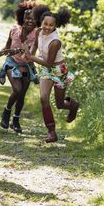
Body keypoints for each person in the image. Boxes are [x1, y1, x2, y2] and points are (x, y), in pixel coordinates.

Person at [23, 8, 79, 143]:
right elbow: (35, 45)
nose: (47, 27)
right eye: (45, 24)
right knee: (43, 98)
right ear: (41, 22)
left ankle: (73, 105)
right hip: (46, 70)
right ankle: (51, 132)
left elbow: (49, 63)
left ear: (55, 26)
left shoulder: (55, 42)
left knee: (60, 104)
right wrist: (29, 53)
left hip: (59, 70)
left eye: (51, 25)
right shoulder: (38, 32)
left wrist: (31, 57)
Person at [0, 0, 44, 133]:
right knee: (17, 89)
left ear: (37, 20)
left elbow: (32, 53)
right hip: (12, 63)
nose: (30, 21)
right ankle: (7, 111)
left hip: (27, 65)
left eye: (33, 18)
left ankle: (15, 120)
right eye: (27, 18)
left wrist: (25, 52)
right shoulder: (14, 30)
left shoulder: (37, 34)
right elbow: (7, 47)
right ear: (22, 18)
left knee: (22, 95)